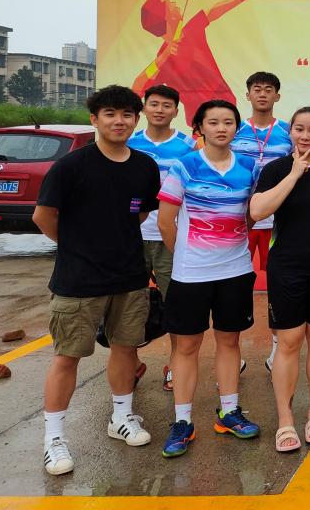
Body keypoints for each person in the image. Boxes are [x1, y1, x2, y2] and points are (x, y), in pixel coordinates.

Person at [34, 85, 161, 475]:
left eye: (126, 114)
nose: (119, 121)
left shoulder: (145, 167)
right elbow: (43, 217)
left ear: (135, 120)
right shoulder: (71, 167)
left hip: (130, 276)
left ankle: (121, 417)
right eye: (110, 113)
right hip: (78, 280)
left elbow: (139, 214)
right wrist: (76, 247)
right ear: (94, 119)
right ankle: (54, 439)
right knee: (67, 357)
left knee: (126, 348)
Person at [157, 100, 261, 458]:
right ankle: (182, 421)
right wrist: (187, 257)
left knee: (229, 341)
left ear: (236, 128)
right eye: (213, 122)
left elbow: (250, 214)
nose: (221, 128)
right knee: (186, 347)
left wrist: (229, 243)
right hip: (190, 275)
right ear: (200, 128)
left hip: (235, 271)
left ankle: (229, 413)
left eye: (228, 122)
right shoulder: (185, 165)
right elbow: (165, 222)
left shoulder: (249, 167)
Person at [249, 107, 310, 452]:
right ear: (290, 131)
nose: (306, 136)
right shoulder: (276, 169)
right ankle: (285, 420)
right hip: (286, 265)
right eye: (300, 129)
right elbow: (258, 211)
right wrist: (293, 174)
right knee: (289, 341)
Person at [126, 84, 196, 392]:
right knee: (128, 304)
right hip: (132, 236)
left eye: (166, 105)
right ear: (144, 108)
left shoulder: (188, 146)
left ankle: (174, 366)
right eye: (153, 104)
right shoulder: (129, 142)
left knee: (176, 304)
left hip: (171, 235)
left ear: (176, 112)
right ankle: (130, 363)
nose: (159, 110)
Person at [132, 0, 264, 123]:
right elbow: (137, 87)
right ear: (166, 17)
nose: (175, 3)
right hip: (200, 123)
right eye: (169, 3)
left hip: (226, 109)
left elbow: (211, 12)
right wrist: (164, 56)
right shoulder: (162, 60)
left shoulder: (189, 31)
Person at [231, 71, 291, 372]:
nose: (263, 94)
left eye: (269, 89)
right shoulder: (234, 129)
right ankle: (233, 354)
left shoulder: (288, 131)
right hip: (240, 219)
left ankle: (277, 350)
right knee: (234, 286)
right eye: (257, 89)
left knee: (278, 287)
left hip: (278, 222)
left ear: (277, 96)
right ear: (248, 95)